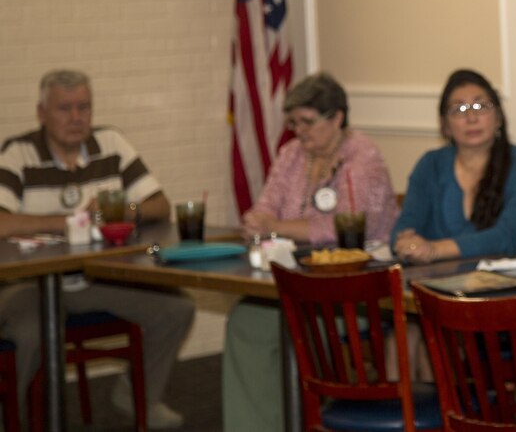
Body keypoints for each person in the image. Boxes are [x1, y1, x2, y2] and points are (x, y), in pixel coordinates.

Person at [0, 69, 193, 429]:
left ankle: (137, 396)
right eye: (65, 108)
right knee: (31, 331)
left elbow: (158, 206)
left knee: (176, 309)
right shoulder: (19, 152)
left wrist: (118, 211)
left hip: (93, 278)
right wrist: (71, 221)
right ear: (42, 113)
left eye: (84, 108)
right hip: (27, 283)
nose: (76, 118)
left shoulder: (111, 143)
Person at [223, 72, 400, 432]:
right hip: (295, 284)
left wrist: (275, 226)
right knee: (246, 318)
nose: (298, 131)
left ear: (336, 117)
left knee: (273, 321)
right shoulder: (291, 155)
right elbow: (265, 208)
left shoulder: (363, 160)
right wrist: (259, 221)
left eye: (307, 122)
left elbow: (341, 228)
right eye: (293, 123)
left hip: (355, 292)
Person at [391, 69, 516, 263]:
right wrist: (407, 244)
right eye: (459, 109)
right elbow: (404, 227)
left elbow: (506, 237)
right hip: (436, 285)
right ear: (445, 125)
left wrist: (435, 249)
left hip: (510, 286)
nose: (471, 118)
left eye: (481, 106)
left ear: (498, 117)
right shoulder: (430, 165)